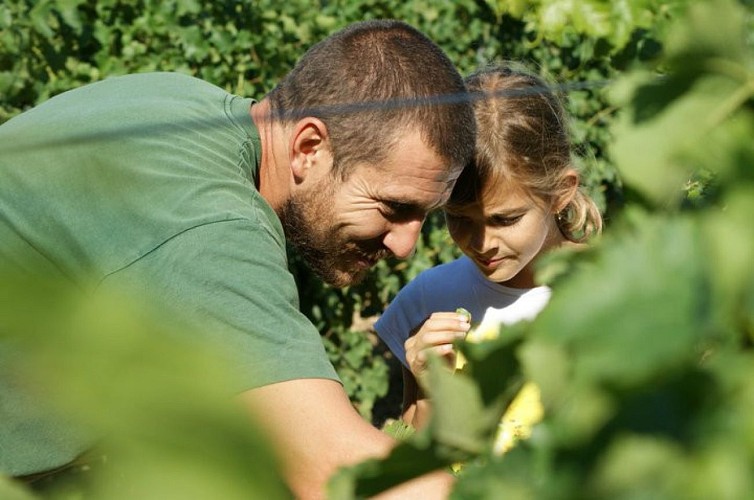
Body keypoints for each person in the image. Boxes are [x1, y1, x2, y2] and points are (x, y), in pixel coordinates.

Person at [0, 20, 476, 498]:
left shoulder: (180, 104)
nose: (405, 246)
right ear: (309, 148)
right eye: (394, 208)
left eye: (424, 217)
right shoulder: (214, 230)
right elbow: (338, 474)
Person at [374, 63, 603, 436]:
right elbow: (415, 459)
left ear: (560, 192)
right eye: (459, 218)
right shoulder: (429, 300)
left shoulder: (615, 293)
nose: (481, 242)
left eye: (505, 219)